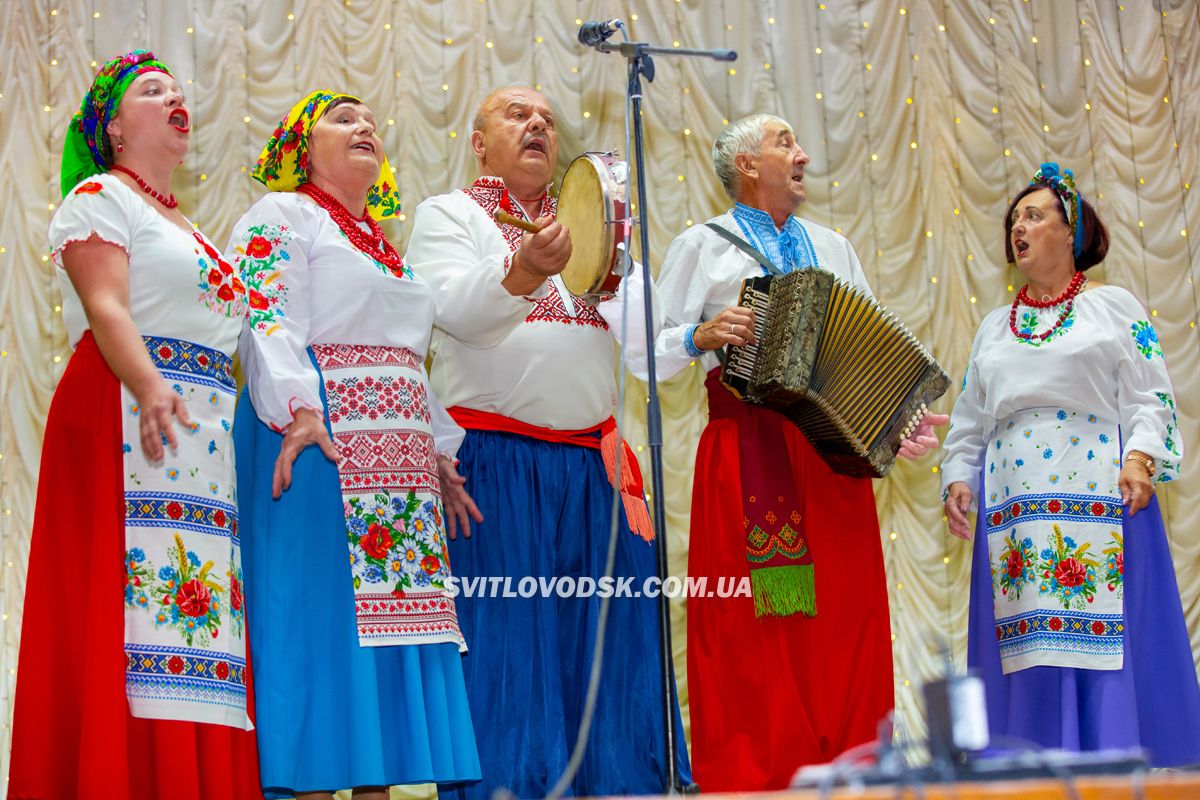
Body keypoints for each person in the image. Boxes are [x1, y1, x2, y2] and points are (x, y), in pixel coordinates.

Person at [405, 84, 690, 798]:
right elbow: (452, 311)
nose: (536, 124)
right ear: (479, 142)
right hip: (497, 464)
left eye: (546, 120)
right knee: (507, 649)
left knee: (610, 654)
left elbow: (640, 349)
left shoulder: (588, 226)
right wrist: (526, 268)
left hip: (597, 469)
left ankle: (624, 786)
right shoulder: (451, 215)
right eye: (515, 114)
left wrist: (619, 262)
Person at [652, 113, 944, 791]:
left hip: (830, 453)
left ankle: (851, 768)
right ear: (748, 165)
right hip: (745, 449)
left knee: (847, 619)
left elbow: (866, 352)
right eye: (787, 142)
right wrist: (700, 335)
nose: (803, 153)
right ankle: (755, 774)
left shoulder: (833, 245)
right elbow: (648, 357)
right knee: (753, 626)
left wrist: (903, 420)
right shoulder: (702, 245)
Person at [7, 50, 263, 799]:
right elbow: (108, 307)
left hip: (197, 435)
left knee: (190, 618)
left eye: (180, 90)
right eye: (153, 91)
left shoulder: (194, 230)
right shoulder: (99, 197)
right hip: (126, 411)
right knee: (130, 608)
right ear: (114, 127)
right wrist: (150, 386)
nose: (175, 97)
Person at [228, 90, 480, 800]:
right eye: (342, 117)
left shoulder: (383, 247)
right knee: (321, 632)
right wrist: (300, 409)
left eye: (370, 119)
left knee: (379, 648)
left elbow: (404, 357)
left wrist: (436, 447)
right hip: (319, 440)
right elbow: (265, 313)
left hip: (396, 461)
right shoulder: (283, 215)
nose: (364, 124)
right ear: (302, 148)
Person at [940, 162, 1200, 765]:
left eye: (1034, 215)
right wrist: (958, 476)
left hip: (1102, 506)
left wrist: (1140, 459)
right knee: (1026, 644)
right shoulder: (992, 328)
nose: (1019, 226)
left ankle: (1120, 764)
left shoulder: (1113, 307)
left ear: (1071, 230)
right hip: (1013, 518)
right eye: (1014, 219)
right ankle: (1030, 770)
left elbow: (1150, 398)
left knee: (1104, 645)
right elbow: (971, 418)